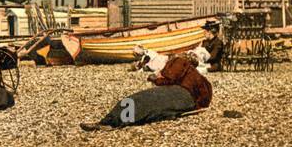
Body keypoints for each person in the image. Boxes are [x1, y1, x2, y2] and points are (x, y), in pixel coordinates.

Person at [82, 53, 212, 130]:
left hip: (183, 94)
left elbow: (170, 78)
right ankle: (113, 121)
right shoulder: (196, 75)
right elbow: (204, 96)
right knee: (152, 107)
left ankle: (111, 122)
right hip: (188, 100)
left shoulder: (179, 61)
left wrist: (155, 79)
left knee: (144, 101)